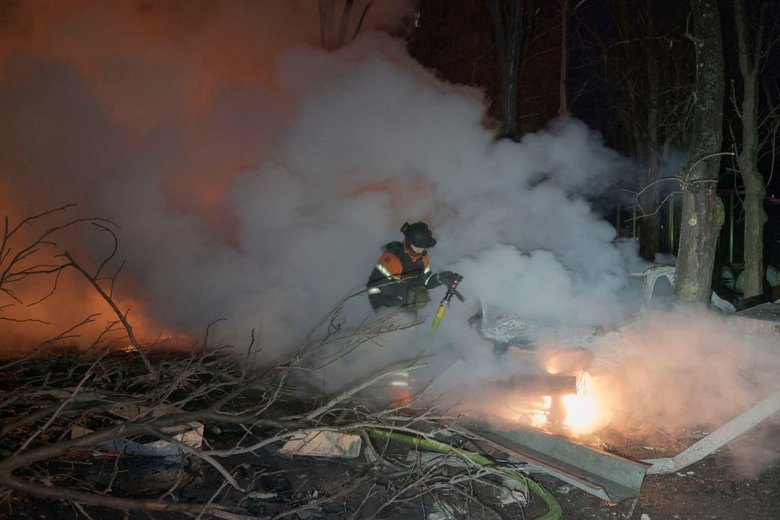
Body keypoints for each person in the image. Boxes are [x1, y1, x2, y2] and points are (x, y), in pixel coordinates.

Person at [366, 221, 460, 311]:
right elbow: (373, 287)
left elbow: (426, 282)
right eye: (417, 246)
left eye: (423, 247)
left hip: (410, 309)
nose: (420, 250)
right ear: (408, 242)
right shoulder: (392, 260)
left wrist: (439, 278)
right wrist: (381, 310)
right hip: (389, 310)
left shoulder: (423, 259)